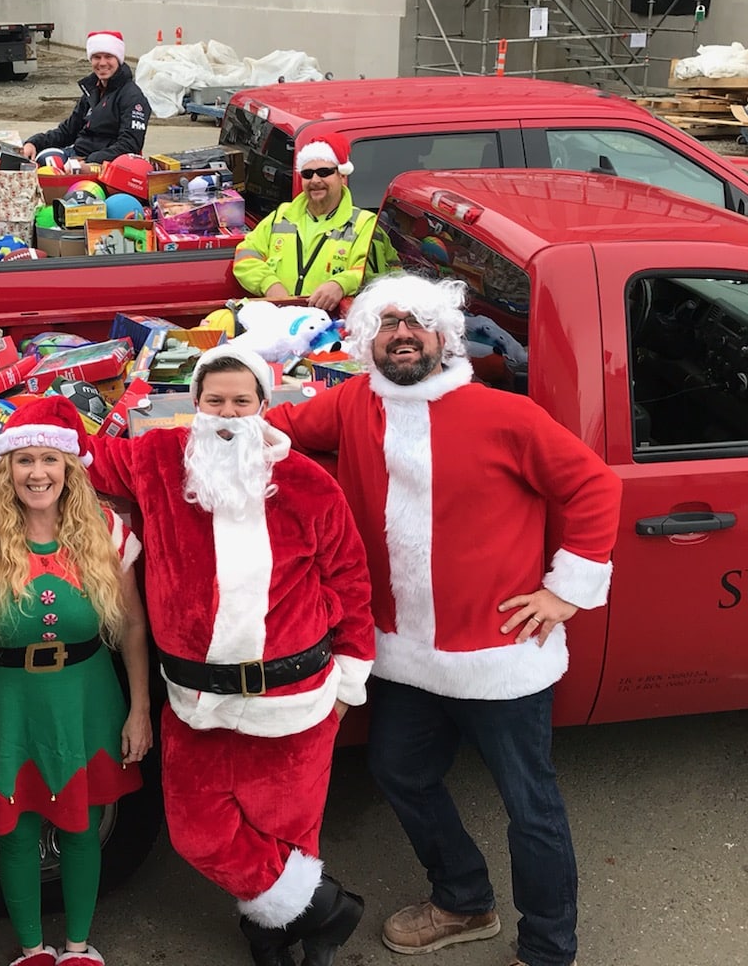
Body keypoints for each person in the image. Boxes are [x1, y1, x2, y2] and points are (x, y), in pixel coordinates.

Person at [0, 344, 374, 966]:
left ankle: (280, 931)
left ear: (263, 407)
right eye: (215, 400)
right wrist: (1, 465)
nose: (227, 413)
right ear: (194, 405)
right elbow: (69, 439)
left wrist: (347, 685)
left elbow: (350, 582)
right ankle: (326, 907)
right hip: (196, 700)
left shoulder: (308, 483)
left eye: (241, 401)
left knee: (290, 831)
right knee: (199, 831)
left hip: (294, 695)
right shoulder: (160, 460)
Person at [261, 272, 622, 966]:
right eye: (387, 322)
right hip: (405, 653)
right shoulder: (350, 402)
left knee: (530, 808)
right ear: (369, 338)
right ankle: (462, 899)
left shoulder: (503, 415)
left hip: (499, 655)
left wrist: (566, 591)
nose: (401, 333)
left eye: (416, 322)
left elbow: (593, 486)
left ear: (444, 336)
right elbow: (272, 429)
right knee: (401, 772)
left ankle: (548, 948)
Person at [0, 397, 152, 966]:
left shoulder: (105, 528)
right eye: (24, 460)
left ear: (70, 467)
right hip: (4, 704)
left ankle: (79, 948)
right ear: (5, 468)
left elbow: (132, 625)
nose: (38, 473)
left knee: (83, 826)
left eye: (50, 460)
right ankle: (32, 950)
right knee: (16, 830)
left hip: (85, 698)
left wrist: (140, 710)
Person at [233, 133, 385, 315]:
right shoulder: (281, 216)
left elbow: (378, 276)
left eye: (324, 172)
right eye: (307, 174)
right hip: (277, 321)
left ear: (342, 176)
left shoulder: (365, 224)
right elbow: (245, 257)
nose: (315, 180)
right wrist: (270, 284)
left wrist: (340, 284)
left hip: (332, 328)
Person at [21, 31, 151, 167]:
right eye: (96, 57)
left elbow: (129, 145)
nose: (102, 63)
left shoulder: (132, 97)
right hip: (77, 155)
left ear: (118, 59)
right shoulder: (92, 91)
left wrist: (89, 161)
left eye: (108, 57)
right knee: (34, 160)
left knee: (48, 167)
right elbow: (67, 131)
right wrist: (34, 142)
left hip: (104, 166)